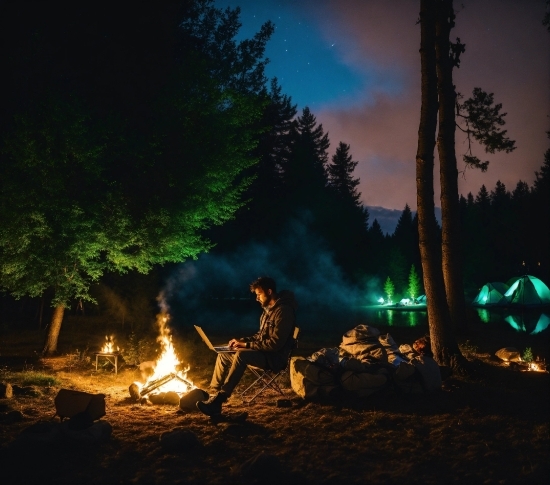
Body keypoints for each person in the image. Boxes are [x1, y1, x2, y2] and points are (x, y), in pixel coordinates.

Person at [196, 276, 297, 416]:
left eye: (259, 294)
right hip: (264, 354)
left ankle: (220, 399)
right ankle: (213, 394)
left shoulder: (283, 311)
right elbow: (260, 336)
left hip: (275, 358)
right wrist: (241, 341)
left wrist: (246, 345)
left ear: (269, 291)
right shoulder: (268, 311)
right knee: (224, 354)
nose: (257, 298)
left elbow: (275, 344)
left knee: (243, 355)